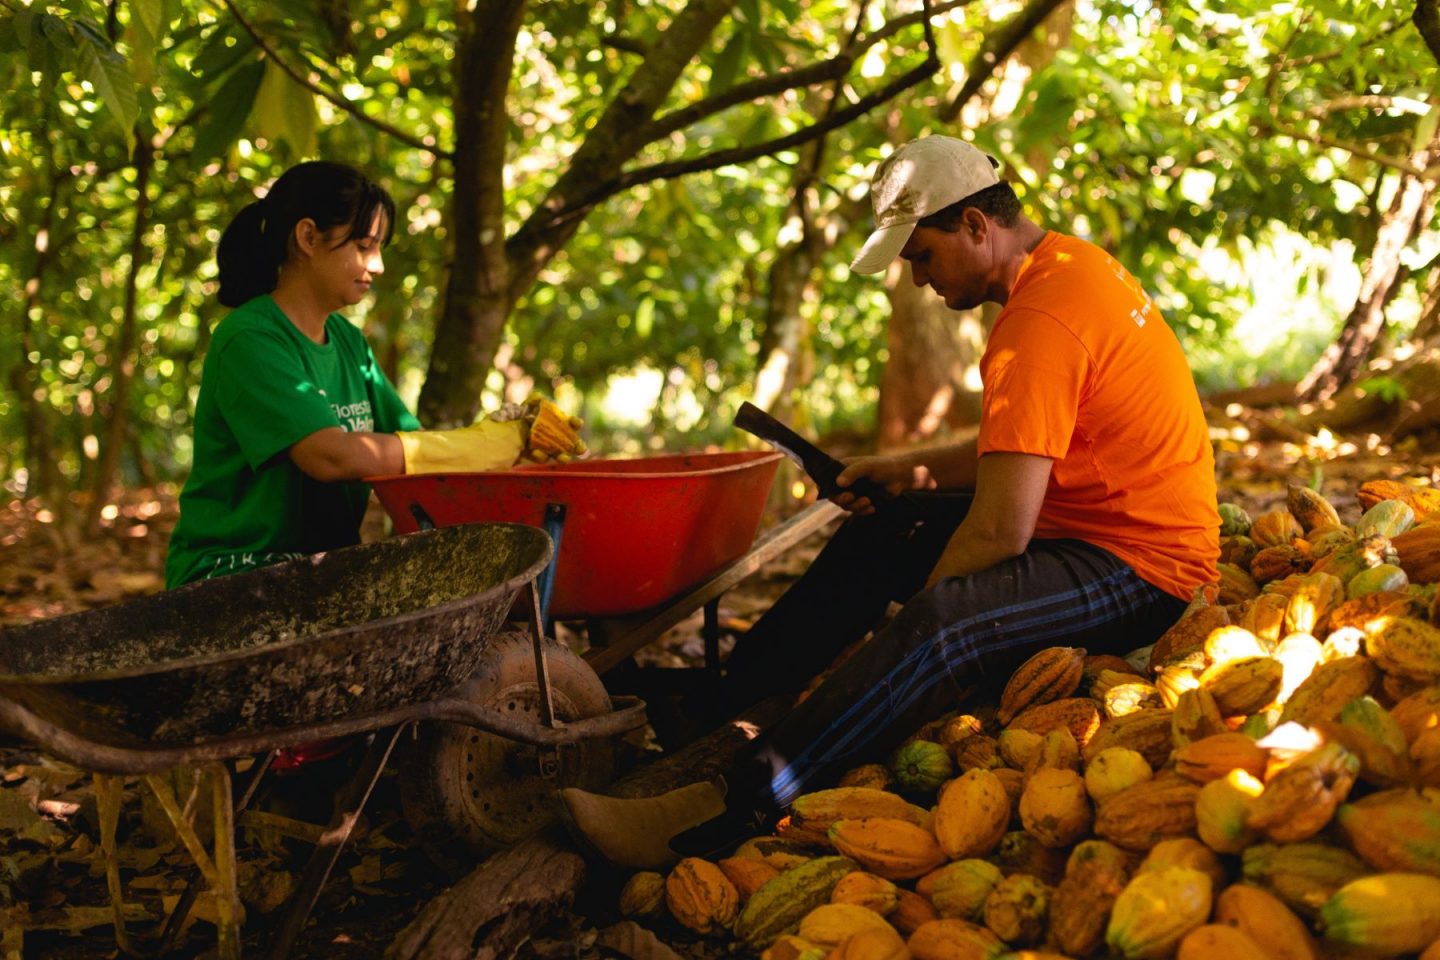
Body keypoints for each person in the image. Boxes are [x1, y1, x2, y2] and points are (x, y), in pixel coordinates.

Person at [559, 135, 1219, 868]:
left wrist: (905, 625)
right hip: (1091, 527)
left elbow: (1000, 530)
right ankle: (728, 709)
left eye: (921, 257)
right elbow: (1029, 440)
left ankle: (722, 810)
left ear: (974, 225)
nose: (916, 280)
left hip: (1143, 566)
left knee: (945, 623)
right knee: (886, 532)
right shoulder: (1069, 265)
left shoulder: (1036, 324)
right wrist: (907, 472)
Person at [165, 160, 582, 590]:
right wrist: (478, 446)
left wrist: (510, 442)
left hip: (318, 569)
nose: (378, 264)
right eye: (364, 245)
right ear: (308, 237)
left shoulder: (347, 341)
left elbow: (410, 447)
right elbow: (333, 456)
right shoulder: (250, 339)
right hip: (233, 571)